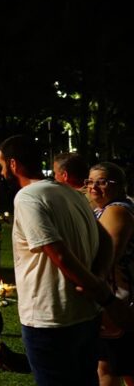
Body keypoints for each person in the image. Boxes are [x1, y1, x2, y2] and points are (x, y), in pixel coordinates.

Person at [0, 134, 114, 385]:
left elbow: (58, 253)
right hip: (86, 315)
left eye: (2, 164)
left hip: (51, 318)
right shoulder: (71, 193)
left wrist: (98, 289)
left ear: (14, 164)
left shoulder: (27, 197)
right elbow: (105, 239)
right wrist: (99, 277)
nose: (2, 171)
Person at [85, 162, 134, 385]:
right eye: (90, 181)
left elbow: (105, 259)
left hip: (121, 301)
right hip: (111, 300)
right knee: (106, 365)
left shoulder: (116, 211)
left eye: (102, 182)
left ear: (120, 186)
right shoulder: (104, 209)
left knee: (123, 366)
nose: (94, 187)